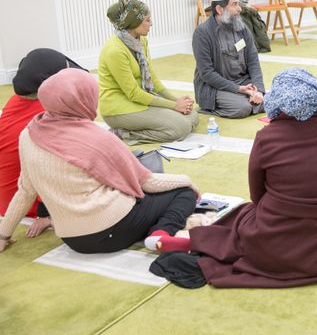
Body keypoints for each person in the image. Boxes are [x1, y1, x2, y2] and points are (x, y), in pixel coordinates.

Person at [159, 69, 317, 288]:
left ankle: (193, 242)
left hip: (272, 243)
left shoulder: (267, 136)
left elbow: (257, 195)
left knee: (240, 217)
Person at [0, 69, 197, 254]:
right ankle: (160, 234)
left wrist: (3, 235)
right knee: (183, 193)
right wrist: (187, 180)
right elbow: (147, 182)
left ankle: (155, 232)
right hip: (114, 230)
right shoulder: (97, 138)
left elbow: (25, 192)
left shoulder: (28, 135)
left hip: (73, 240)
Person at [0, 49, 84, 237]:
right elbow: (48, 165)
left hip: (6, 199)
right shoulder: (50, 111)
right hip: (29, 203)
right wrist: (47, 214)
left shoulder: (14, 102)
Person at [99, 0, 198, 144]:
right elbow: (133, 93)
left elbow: (152, 79)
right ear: (132, 22)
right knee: (180, 128)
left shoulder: (141, 40)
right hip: (118, 109)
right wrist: (174, 106)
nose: (151, 23)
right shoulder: (114, 50)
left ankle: (138, 128)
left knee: (193, 115)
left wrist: (176, 100)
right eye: (147, 20)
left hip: (140, 100)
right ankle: (123, 134)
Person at [192, 0, 266, 118]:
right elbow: (207, 74)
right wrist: (238, 89)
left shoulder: (242, 28)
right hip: (215, 88)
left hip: (243, 82)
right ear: (220, 9)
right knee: (242, 108)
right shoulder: (202, 33)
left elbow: (253, 61)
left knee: (271, 100)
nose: (240, 9)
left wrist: (258, 90)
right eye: (235, 4)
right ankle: (211, 107)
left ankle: (248, 98)